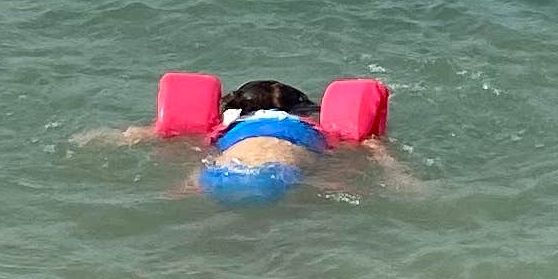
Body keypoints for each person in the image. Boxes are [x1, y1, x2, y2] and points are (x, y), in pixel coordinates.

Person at [73, 78, 409, 204]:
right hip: (280, 176)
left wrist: (107, 137)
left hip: (217, 175)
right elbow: (373, 150)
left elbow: (145, 134)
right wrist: (398, 174)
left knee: (192, 190)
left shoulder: (225, 127)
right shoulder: (316, 128)